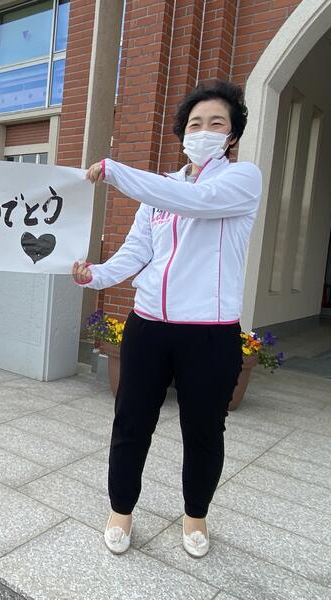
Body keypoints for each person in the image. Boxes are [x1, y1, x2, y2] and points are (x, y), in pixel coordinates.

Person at [73, 80, 261, 558]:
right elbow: (138, 251)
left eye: (216, 123)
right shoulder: (162, 189)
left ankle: (195, 517)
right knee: (131, 422)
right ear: (182, 133)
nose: (203, 131)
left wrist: (115, 171)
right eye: (195, 123)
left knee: (203, 430)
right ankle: (120, 511)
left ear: (232, 134)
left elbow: (194, 202)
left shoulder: (241, 180)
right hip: (148, 327)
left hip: (209, 334)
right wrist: (95, 275)